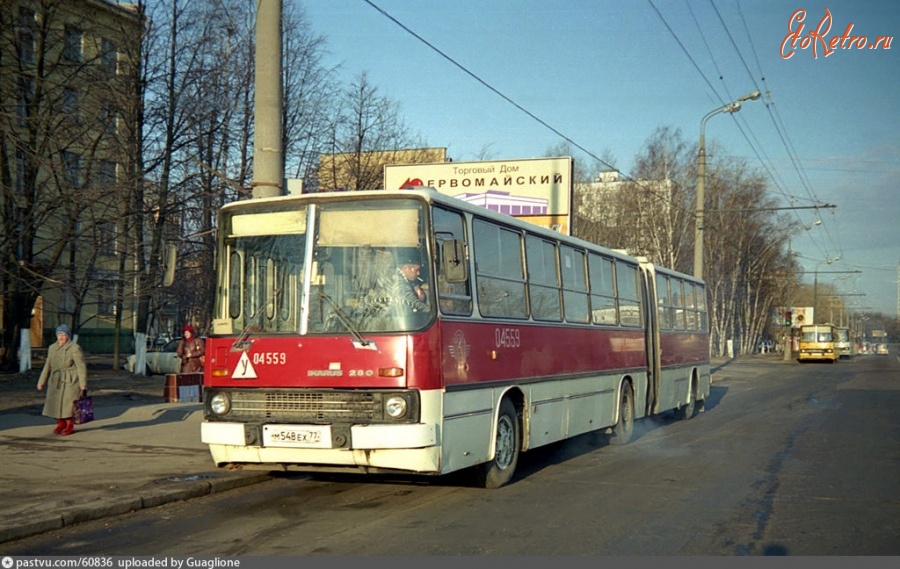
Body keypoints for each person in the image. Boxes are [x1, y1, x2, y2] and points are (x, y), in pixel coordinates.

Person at [36, 324, 87, 436]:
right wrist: (41, 381)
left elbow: (81, 366)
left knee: (68, 404)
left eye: (64, 335)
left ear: (68, 336)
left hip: (71, 380)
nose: (61, 337)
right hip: (56, 379)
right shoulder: (52, 348)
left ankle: (69, 425)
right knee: (54, 403)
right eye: (59, 335)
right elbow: (47, 365)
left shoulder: (74, 348)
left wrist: (83, 384)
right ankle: (60, 423)